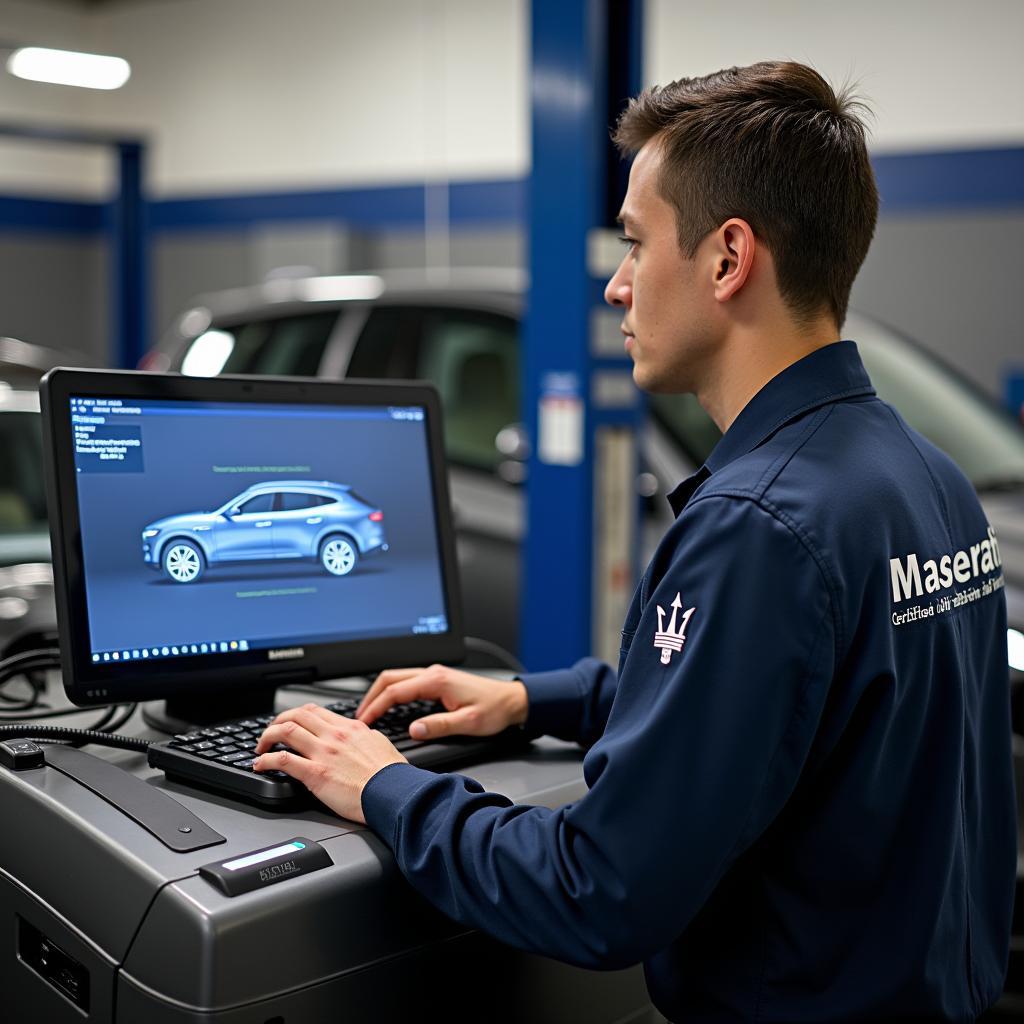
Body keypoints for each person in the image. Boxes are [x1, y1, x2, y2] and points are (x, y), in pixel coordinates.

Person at [253, 61, 1015, 1021]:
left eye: (634, 243)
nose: (616, 288)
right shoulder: (922, 476)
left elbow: (598, 891)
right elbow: (782, 706)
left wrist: (387, 788)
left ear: (728, 258)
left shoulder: (759, 528)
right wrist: (535, 699)